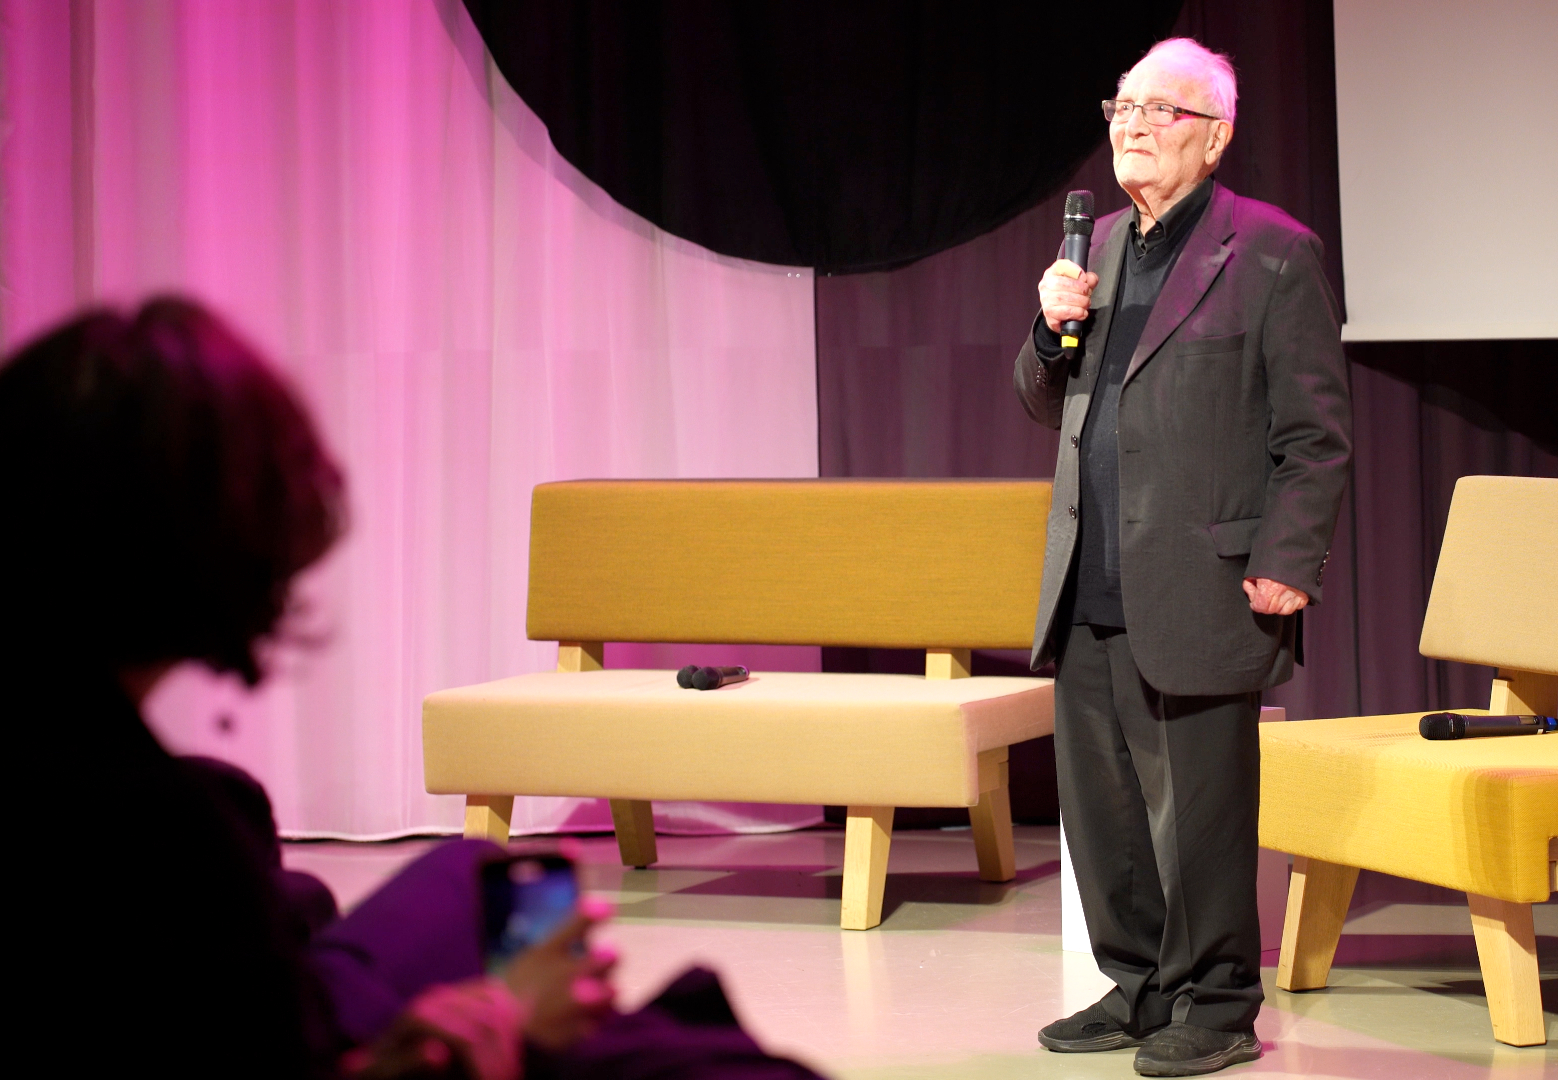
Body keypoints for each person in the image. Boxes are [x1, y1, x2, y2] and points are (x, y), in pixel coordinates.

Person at [1, 298, 819, 1080]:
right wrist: (496, 1025)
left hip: (275, 985)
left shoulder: (131, 800)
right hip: (315, 1022)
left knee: (452, 870)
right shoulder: (157, 837)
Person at [1014, 38, 1352, 1077]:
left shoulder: (1272, 253)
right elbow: (1044, 400)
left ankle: (1216, 1002)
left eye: (1160, 110)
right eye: (1123, 105)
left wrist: (1291, 557)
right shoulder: (1099, 246)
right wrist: (1048, 328)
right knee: (1105, 806)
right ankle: (1136, 985)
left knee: (1200, 811)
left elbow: (1315, 434)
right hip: (1089, 575)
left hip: (1205, 580)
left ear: (1215, 136)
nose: (1132, 124)